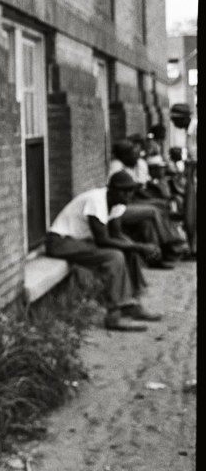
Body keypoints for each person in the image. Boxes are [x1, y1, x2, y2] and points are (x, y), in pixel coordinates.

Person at [45, 171, 163, 332]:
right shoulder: (96, 200)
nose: (128, 194)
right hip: (60, 242)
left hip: (79, 241)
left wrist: (137, 246)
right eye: (123, 190)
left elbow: (116, 234)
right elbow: (103, 240)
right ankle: (113, 315)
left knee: (129, 251)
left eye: (130, 190)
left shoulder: (118, 203)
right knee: (114, 256)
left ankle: (131, 304)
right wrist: (139, 246)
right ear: (111, 189)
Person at [107, 139, 187, 264]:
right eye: (133, 154)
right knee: (153, 211)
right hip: (119, 207)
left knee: (149, 220)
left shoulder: (128, 165)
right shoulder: (116, 166)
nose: (137, 156)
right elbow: (123, 192)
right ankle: (171, 242)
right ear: (124, 154)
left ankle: (157, 256)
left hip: (129, 201)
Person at [168, 103, 197, 257]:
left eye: (175, 120)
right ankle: (193, 248)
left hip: (195, 175)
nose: (174, 124)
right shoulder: (189, 132)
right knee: (190, 213)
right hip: (192, 176)